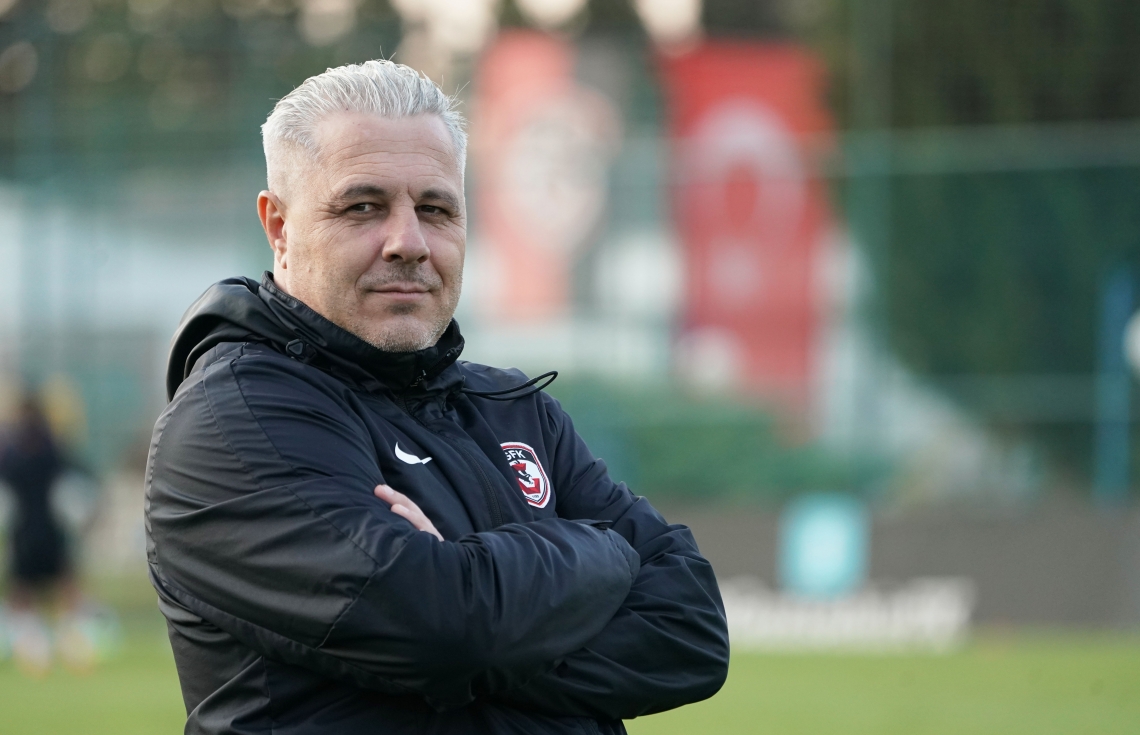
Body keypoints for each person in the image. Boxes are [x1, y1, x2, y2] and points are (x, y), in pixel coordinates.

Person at [146, 60, 728, 735]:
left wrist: (478, 600)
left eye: (435, 208)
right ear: (279, 226)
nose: (408, 242)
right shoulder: (234, 420)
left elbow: (693, 628)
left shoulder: (514, 408)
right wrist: (605, 553)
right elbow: (440, 627)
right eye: (363, 207)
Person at [0, 391, 92, 675]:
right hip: (45, 530)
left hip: (29, 532)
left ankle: (44, 650)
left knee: (32, 592)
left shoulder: (14, 451)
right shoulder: (51, 447)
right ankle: (61, 648)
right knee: (52, 589)